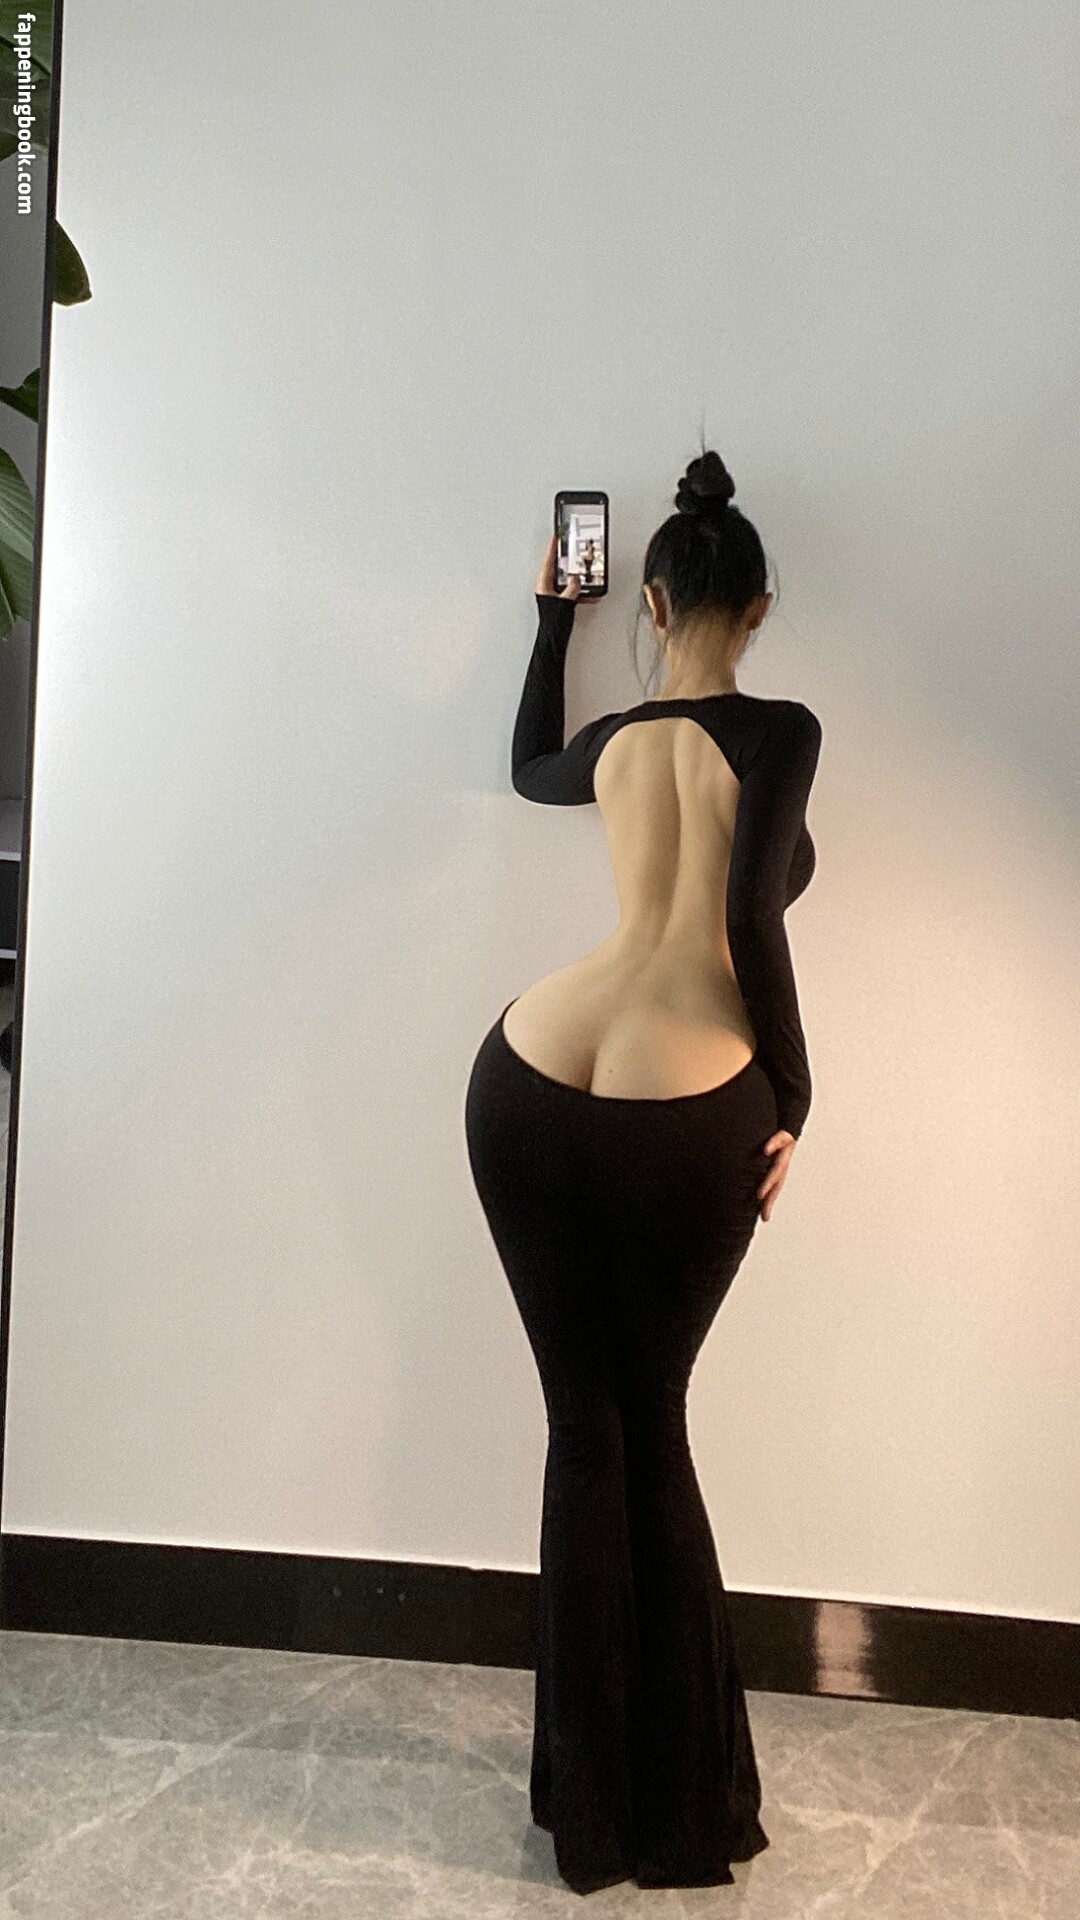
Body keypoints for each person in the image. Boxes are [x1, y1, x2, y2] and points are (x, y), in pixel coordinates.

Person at [464, 447, 822, 1895]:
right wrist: (796, 1094)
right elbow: (754, 914)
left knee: (583, 1428)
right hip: (688, 1099)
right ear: (763, 606)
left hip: (528, 1074)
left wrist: (555, 619)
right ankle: (676, 1815)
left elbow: (523, 767)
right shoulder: (781, 730)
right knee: (650, 1422)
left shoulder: (614, 740)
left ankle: (589, 1815)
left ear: (653, 601)